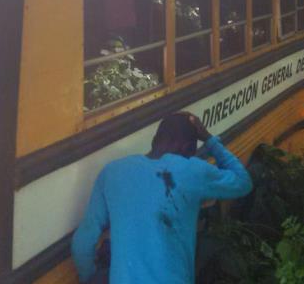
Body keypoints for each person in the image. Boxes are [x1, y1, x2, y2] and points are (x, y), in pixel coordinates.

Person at [71, 112, 253, 283]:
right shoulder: (193, 171)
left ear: (153, 140)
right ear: (188, 148)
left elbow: (83, 242)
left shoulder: (112, 172)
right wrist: (208, 139)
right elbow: (243, 182)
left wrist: (89, 277)